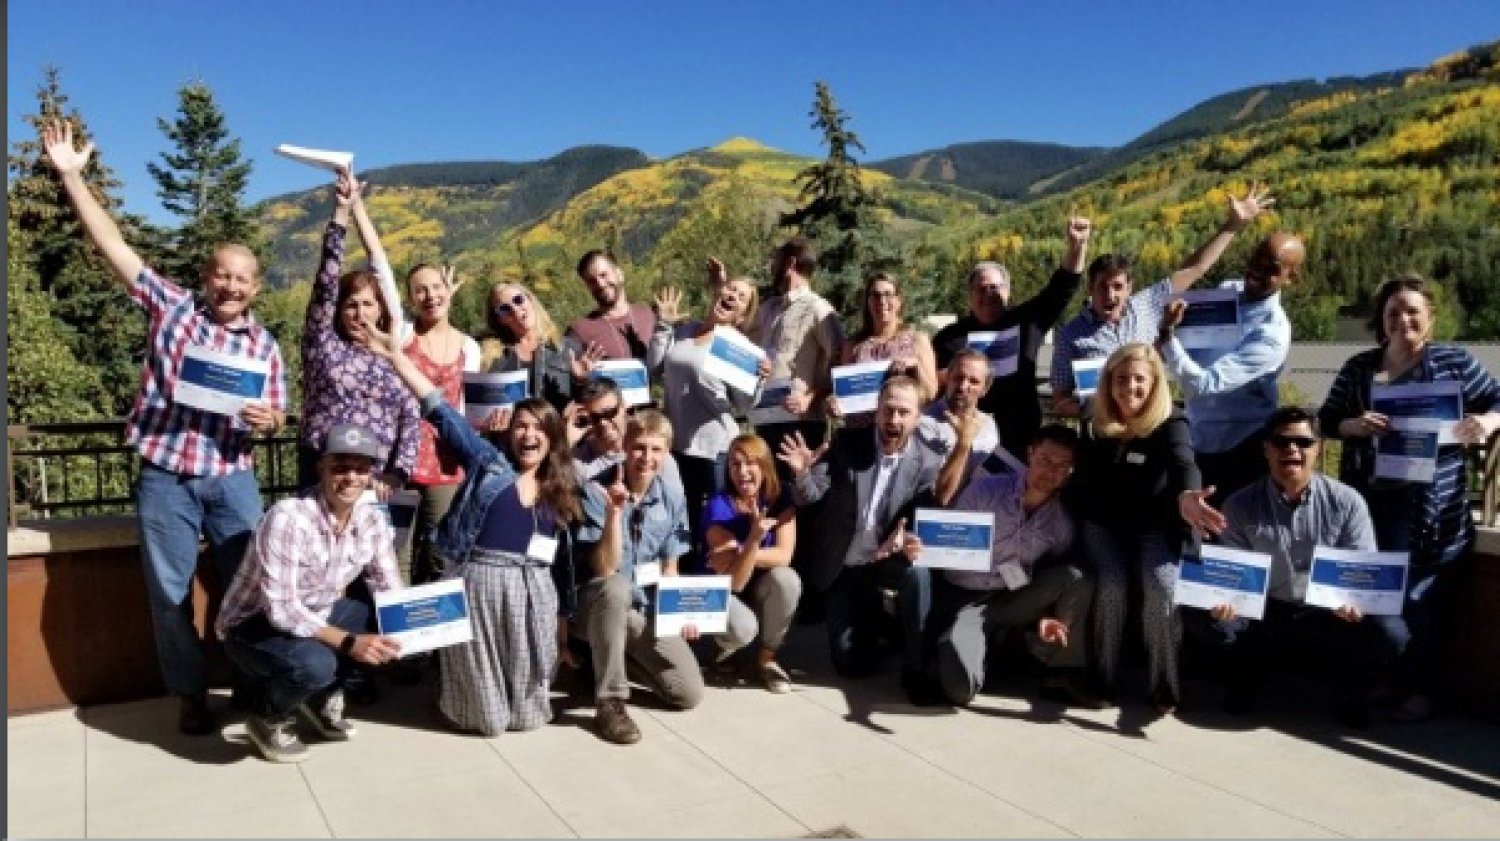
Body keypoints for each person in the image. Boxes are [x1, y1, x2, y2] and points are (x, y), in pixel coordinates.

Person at [42, 119, 289, 735]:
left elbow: (277, 411)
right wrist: (73, 176)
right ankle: (190, 694)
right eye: (221, 274)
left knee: (250, 588)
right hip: (165, 478)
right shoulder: (172, 307)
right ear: (207, 277)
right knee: (169, 594)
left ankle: (256, 687)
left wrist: (268, 418)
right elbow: (112, 245)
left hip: (231, 478)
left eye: (242, 278)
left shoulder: (264, 345)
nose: (230, 285)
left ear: (256, 287)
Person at [361, 321, 582, 737]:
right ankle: (459, 701)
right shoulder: (489, 464)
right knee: (487, 720)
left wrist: (563, 632)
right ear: (509, 431)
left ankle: (515, 701)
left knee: (527, 714)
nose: (528, 434)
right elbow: (441, 410)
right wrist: (395, 357)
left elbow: (562, 569)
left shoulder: (563, 489)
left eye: (538, 427)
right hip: (479, 579)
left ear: (552, 438)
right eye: (521, 425)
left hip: (533, 590)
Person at [1318, 274, 1500, 721]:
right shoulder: (1362, 369)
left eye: (1412, 311)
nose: (1403, 320)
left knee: (1426, 604)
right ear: (1381, 319)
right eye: (1393, 312)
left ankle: (1424, 692)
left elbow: (1498, 398)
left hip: (1435, 509)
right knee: (1379, 602)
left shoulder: (1454, 364)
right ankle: (1388, 681)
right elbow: (1325, 420)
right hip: (1374, 504)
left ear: (1430, 318)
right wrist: (1353, 426)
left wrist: (1489, 424)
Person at [1201, 408, 1403, 728]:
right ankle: (1245, 682)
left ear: (1317, 448)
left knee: (1390, 633)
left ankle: (1352, 694)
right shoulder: (1238, 505)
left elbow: (1362, 573)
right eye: (1281, 442)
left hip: (1325, 612)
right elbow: (1232, 578)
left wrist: (1356, 602)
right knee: (1215, 626)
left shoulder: (1348, 502)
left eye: (1302, 442)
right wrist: (1225, 601)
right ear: (1267, 449)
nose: (1292, 449)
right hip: (1267, 610)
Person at [215, 424, 403, 762]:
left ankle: (318, 698)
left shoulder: (371, 519)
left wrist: (416, 629)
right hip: (253, 625)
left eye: (361, 468)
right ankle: (266, 717)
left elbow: (388, 586)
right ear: (321, 469)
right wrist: (349, 642)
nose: (351, 477)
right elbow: (283, 611)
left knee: (380, 616)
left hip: (317, 612)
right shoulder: (289, 517)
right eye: (340, 467)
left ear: (371, 473)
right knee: (317, 664)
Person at [897, 424, 1101, 709]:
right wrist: (917, 547)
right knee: (960, 690)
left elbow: (1043, 576)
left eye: (1061, 466)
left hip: (1009, 599)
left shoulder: (1061, 525)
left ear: (1070, 472)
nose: (1050, 471)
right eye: (1044, 460)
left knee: (1076, 577)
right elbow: (943, 543)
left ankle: (1061, 672)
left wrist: (1043, 615)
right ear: (1030, 454)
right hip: (964, 600)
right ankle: (970, 648)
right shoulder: (985, 491)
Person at [1065, 343, 1219, 713]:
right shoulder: (1096, 422)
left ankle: (1164, 683)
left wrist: (1187, 495)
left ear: (1154, 384)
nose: (1129, 388)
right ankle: (1103, 679)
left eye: (1139, 380)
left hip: (1155, 526)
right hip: (1105, 526)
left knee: (1162, 587)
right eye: (1121, 379)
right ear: (1108, 382)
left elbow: (1185, 464)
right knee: (1112, 585)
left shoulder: (1172, 421)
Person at [1051, 185, 1274, 418]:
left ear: (1129, 288)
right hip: (1104, 434)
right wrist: (1091, 410)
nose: (1110, 295)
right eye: (1102, 287)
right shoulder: (1070, 335)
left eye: (1117, 287)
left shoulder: (1146, 305)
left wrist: (1234, 225)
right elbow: (1060, 398)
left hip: (1152, 426)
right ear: (1090, 289)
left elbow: (1195, 268)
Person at [778, 375, 942, 677]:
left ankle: (917, 665)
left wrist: (906, 536)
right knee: (849, 663)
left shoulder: (929, 462)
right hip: (847, 564)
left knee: (918, 574)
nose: (894, 419)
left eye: (903, 412)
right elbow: (809, 497)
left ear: (918, 418)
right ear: (876, 410)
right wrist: (802, 474)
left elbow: (924, 515)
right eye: (888, 409)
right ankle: (883, 624)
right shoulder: (846, 443)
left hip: (889, 560)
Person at [571, 411, 704, 744]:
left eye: (656, 450)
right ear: (624, 448)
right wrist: (615, 515)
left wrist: (680, 615)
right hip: (595, 604)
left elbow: (670, 567)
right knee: (615, 589)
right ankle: (610, 701)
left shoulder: (672, 499)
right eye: (639, 448)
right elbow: (604, 569)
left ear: (668, 453)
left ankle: (608, 661)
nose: (647, 458)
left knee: (686, 693)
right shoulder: (594, 491)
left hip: (639, 610)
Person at [1155, 230, 1304, 506]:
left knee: (1227, 538)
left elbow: (1201, 385)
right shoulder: (1228, 291)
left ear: (1291, 277)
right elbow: (1189, 343)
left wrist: (1167, 337)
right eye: (1256, 259)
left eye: (1271, 268)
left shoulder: (1272, 334)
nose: (1257, 271)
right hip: (1196, 436)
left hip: (1240, 450)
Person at [298, 169, 420, 494]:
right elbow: (326, 284)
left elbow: (410, 418)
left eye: (368, 304)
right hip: (321, 475)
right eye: (351, 304)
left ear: (381, 309)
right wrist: (341, 214)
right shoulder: (323, 344)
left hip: (375, 482)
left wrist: (399, 474)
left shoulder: (393, 355)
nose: (359, 313)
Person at [931, 216, 1090, 456]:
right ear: (970, 295)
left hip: (1019, 436)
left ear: (1008, 291)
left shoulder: (1027, 321)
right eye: (980, 289)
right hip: (963, 435)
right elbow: (933, 385)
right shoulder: (949, 337)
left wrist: (1077, 246)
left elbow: (1063, 286)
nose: (988, 294)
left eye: (995, 288)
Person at [648, 279, 769, 564]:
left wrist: (758, 380)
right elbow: (654, 367)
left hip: (717, 448)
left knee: (718, 521)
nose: (732, 296)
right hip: (678, 445)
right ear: (717, 291)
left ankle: (725, 585)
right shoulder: (686, 330)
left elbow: (743, 404)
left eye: (740, 297)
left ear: (742, 314)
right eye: (730, 289)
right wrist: (664, 325)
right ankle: (684, 583)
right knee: (682, 521)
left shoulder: (738, 348)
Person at [395, 263, 482, 585]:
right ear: (409, 298)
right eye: (421, 289)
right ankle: (393, 633)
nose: (430, 295)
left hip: (446, 462)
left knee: (440, 555)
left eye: (436, 287)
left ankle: (438, 633)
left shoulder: (469, 348)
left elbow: (468, 410)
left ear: (449, 290)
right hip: (400, 458)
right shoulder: (403, 336)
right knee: (394, 556)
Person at [702, 434, 802, 693]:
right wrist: (756, 539)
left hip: (760, 587)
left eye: (750, 463)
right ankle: (723, 647)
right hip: (724, 590)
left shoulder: (780, 499)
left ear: (764, 465)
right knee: (743, 628)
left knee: (787, 579)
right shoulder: (718, 505)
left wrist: (742, 550)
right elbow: (735, 582)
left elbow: (783, 556)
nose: (743, 471)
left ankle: (767, 659)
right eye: (735, 464)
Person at [751, 238, 845, 476]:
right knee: (769, 492)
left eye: (775, 262)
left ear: (790, 263)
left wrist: (811, 397)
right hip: (765, 416)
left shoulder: (818, 309)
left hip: (801, 422)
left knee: (798, 496)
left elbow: (841, 361)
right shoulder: (769, 309)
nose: (771, 268)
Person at [826, 272, 939, 427]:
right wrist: (835, 405)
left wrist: (915, 366)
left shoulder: (918, 341)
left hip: (902, 432)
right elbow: (844, 397)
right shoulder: (853, 346)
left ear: (899, 301)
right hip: (861, 433)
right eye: (876, 295)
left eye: (888, 295)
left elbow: (931, 393)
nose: (882, 301)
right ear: (868, 302)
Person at [482, 281, 599, 413]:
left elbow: (591, 402)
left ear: (530, 300)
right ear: (500, 319)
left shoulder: (567, 348)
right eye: (504, 309)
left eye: (518, 300)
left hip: (560, 430)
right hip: (517, 432)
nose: (515, 309)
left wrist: (582, 380)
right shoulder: (492, 357)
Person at [569, 378, 683, 489]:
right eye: (595, 418)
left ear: (624, 406)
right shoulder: (580, 459)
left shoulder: (653, 451)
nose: (603, 423)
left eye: (609, 413)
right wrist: (567, 442)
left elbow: (676, 504)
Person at [916, 350, 1003, 481]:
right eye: (959, 377)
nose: (963, 386)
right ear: (948, 378)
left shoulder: (988, 424)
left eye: (973, 381)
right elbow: (932, 487)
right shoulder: (923, 422)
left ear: (985, 389)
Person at [568, 250, 656, 362]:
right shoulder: (580, 331)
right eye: (591, 281)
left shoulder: (650, 316)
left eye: (603, 275)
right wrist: (578, 378)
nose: (600, 284)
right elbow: (561, 373)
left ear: (619, 274)